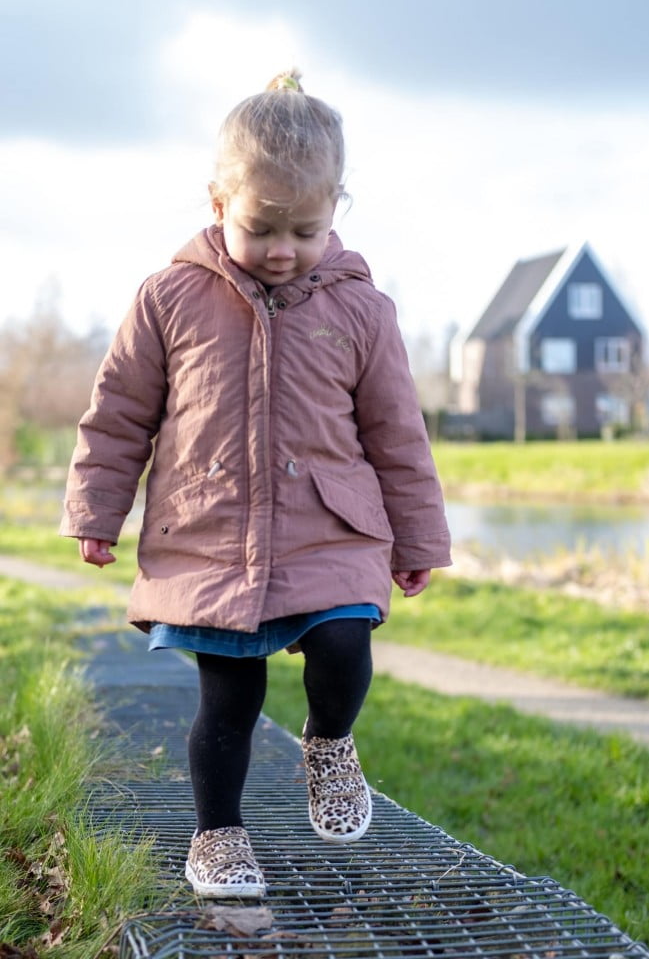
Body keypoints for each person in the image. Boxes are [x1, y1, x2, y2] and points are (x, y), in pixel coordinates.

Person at [60, 70, 452, 899]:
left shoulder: (362, 312)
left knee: (345, 644)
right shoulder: (168, 299)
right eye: (262, 227)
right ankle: (218, 835)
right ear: (216, 203)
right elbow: (119, 416)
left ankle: (329, 743)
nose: (283, 249)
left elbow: (398, 436)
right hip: (211, 532)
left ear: (337, 210)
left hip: (332, 527)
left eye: (306, 230)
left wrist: (418, 540)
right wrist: (98, 510)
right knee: (228, 695)